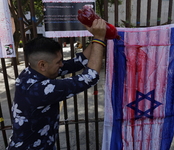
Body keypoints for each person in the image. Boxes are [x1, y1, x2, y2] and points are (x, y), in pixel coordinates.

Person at [7, 19, 106, 150]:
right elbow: (90, 77)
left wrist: (95, 35)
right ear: (42, 64)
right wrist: (100, 38)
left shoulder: (29, 73)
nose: (61, 65)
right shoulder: (39, 90)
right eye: (58, 62)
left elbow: (78, 62)